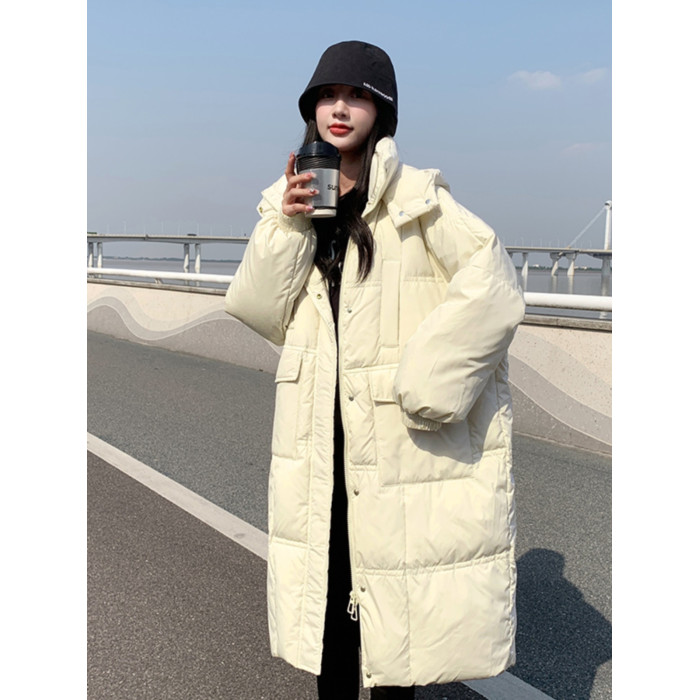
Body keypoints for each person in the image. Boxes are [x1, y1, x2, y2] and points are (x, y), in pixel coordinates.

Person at [225, 41, 525, 699]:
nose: (339, 108)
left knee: (396, 619)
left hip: (393, 438)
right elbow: (256, 309)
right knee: (330, 614)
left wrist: (428, 381)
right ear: (311, 110)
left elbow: (494, 281)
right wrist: (288, 225)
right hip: (318, 436)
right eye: (327, 96)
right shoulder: (289, 201)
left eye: (356, 96)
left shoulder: (417, 198)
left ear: (381, 111)